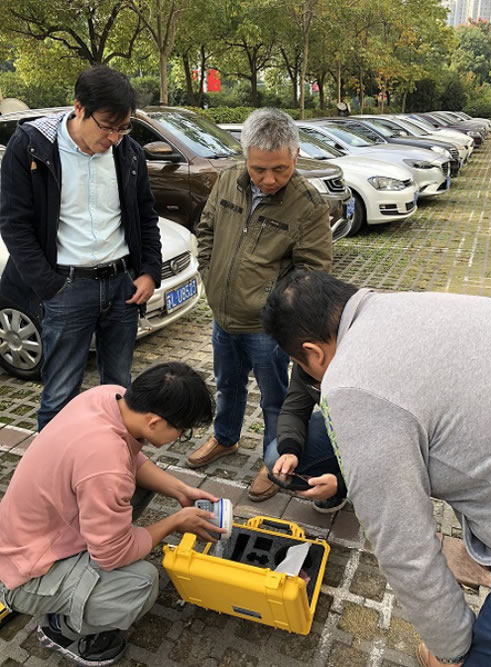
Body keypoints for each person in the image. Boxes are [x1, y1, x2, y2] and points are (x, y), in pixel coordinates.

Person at [262, 269, 491, 667]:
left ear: (313, 353)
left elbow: (406, 548)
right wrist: (348, 479)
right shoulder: (408, 303)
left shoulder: (353, 382)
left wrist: (453, 649)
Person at [0, 362, 224, 666]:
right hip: (24, 573)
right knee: (141, 584)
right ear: (155, 422)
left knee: (137, 485)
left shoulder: (109, 397)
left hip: (29, 532)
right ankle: (61, 630)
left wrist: (180, 490)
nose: (181, 436)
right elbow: (113, 555)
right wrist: (174, 523)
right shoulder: (106, 463)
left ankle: (90, 555)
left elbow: (131, 460)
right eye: (182, 431)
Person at [0, 66, 161, 431]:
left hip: (122, 287)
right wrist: (50, 286)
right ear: (78, 108)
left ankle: (113, 460)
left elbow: (145, 217)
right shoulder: (32, 146)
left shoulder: (129, 153)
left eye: (124, 128)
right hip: (67, 288)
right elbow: (14, 224)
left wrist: (149, 271)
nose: (114, 137)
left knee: (119, 392)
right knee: (60, 394)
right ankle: (53, 464)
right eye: (107, 126)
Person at [188, 108, 332, 501]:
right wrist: (209, 273)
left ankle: (274, 460)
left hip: (267, 329)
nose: (269, 179)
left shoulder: (308, 205)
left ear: (296, 155)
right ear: (245, 156)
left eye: (280, 169)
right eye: (259, 169)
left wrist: (275, 311)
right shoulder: (227, 180)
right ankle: (225, 437)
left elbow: (311, 275)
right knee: (227, 384)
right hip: (223, 316)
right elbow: (206, 229)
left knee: (275, 399)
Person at [264, 361, 348, 514]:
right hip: (339, 421)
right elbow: (294, 410)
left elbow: (389, 449)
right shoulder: (306, 358)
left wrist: (341, 484)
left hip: (383, 436)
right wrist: (290, 450)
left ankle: (352, 487)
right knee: (274, 457)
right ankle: (332, 478)